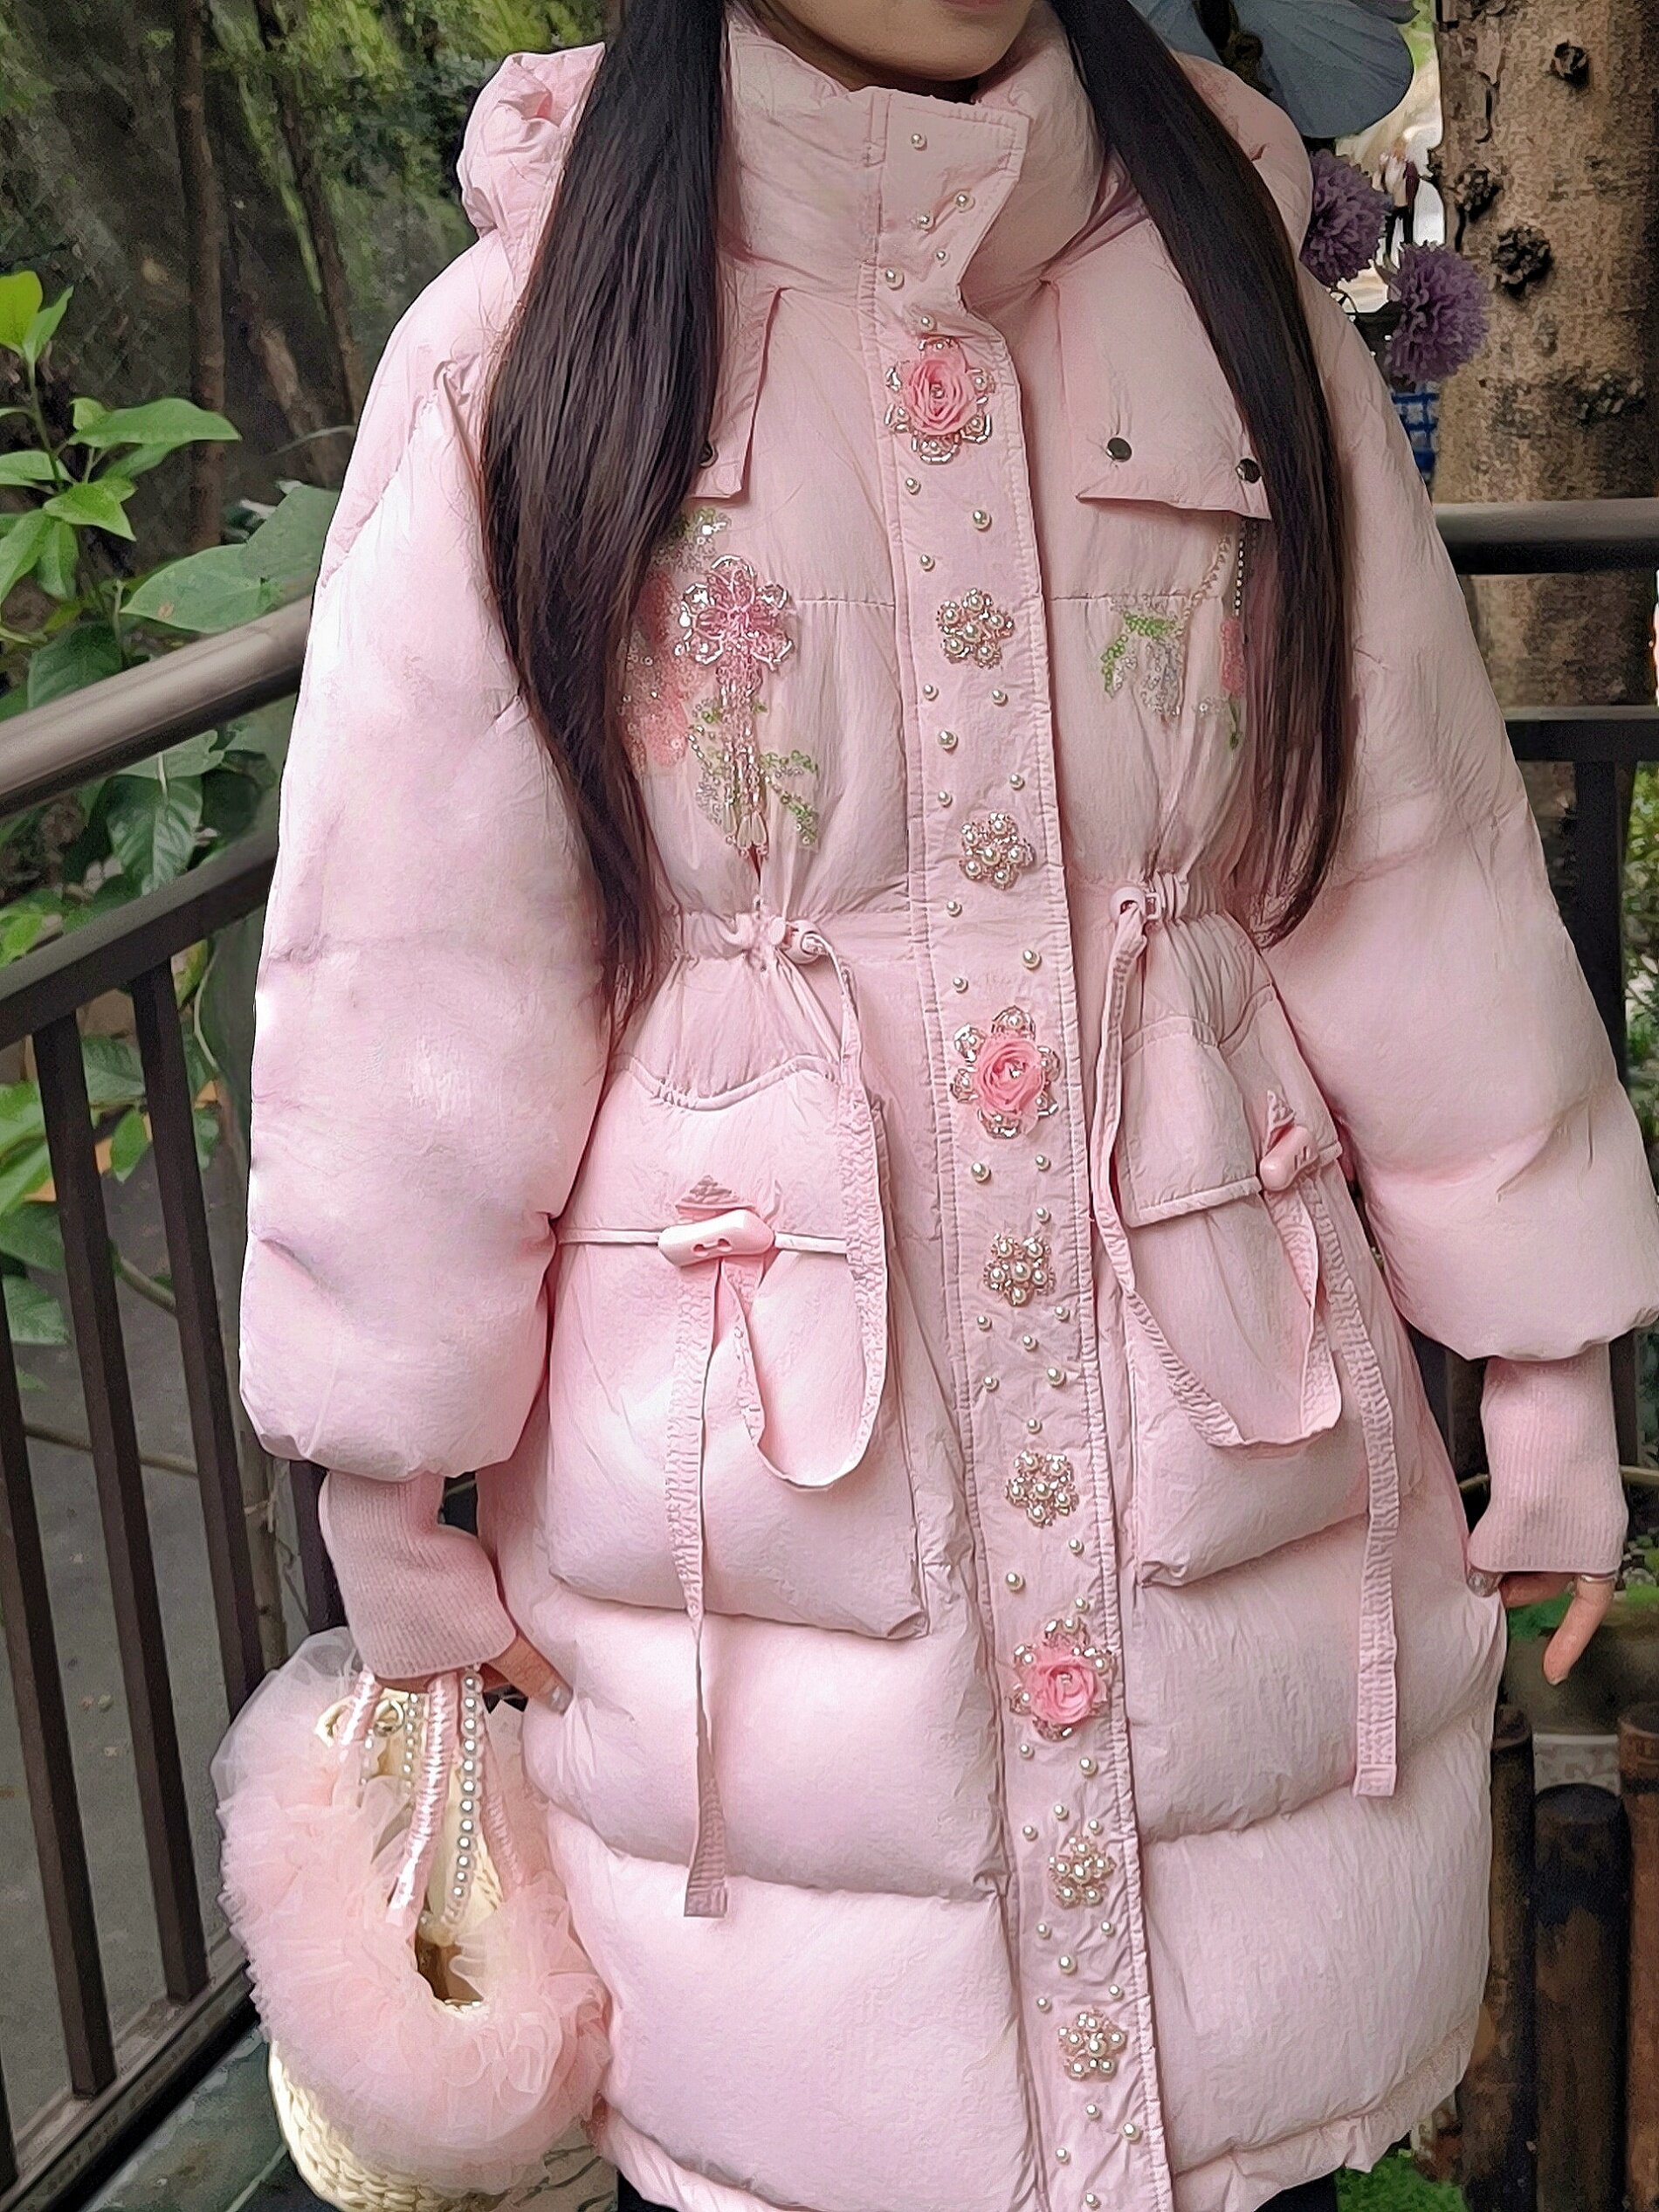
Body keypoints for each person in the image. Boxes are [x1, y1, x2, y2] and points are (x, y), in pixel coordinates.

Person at [237, 3, 1659, 2210]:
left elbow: (1401, 845)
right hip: (752, 1486)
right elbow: (417, 961)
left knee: (1244, 2120)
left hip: (1220, 1433)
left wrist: (1550, 1355)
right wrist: (378, 1464)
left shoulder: (1222, 285)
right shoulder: (522, 343)